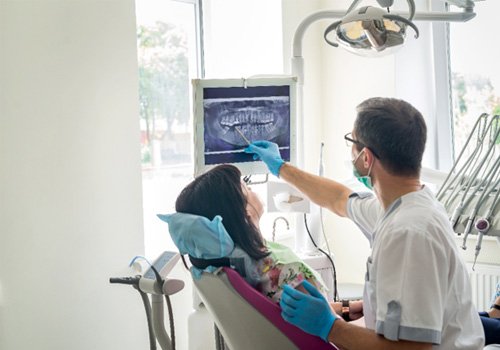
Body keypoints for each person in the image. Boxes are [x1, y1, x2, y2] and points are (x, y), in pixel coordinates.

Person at [245, 97, 485, 349]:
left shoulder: (408, 232)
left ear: (366, 158)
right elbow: (338, 198)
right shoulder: (404, 205)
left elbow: (414, 348)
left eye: (352, 142)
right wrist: (281, 167)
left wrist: (330, 326)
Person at [172, 163, 335, 304]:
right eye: (246, 188)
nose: (251, 189)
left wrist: (349, 307)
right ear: (245, 213)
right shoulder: (286, 274)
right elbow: (331, 328)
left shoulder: (224, 269)